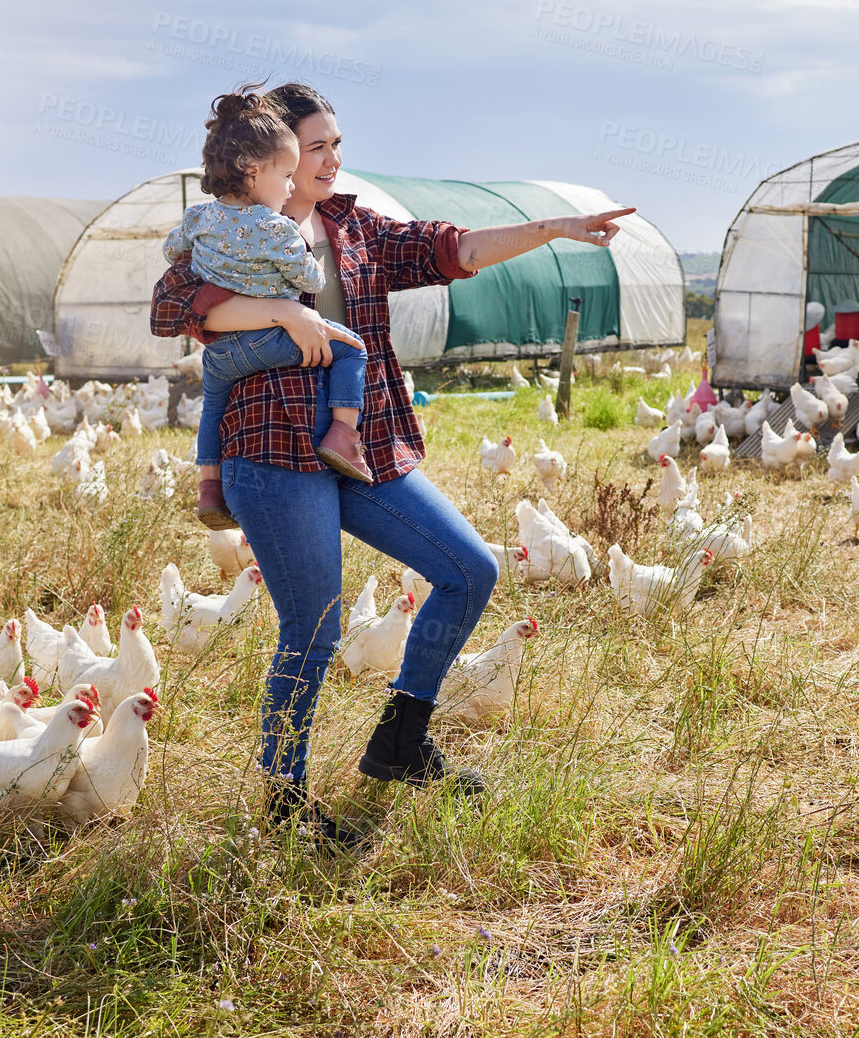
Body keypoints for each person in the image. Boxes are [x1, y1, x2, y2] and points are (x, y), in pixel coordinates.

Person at [150, 81, 631, 840]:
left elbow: (455, 249)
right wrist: (283, 311)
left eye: (337, 144)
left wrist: (556, 228)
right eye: (317, 147)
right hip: (274, 448)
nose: (332, 158)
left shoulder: (355, 228)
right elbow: (173, 308)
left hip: (362, 446)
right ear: (271, 155)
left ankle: (400, 739)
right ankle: (283, 801)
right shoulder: (231, 227)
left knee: (470, 568)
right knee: (311, 626)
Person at [167, 87, 373, 532]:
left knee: (211, 408)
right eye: (285, 176)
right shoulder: (275, 227)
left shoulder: (198, 218)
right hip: (266, 343)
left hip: (221, 352)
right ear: (253, 171)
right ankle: (343, 436)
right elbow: (310, 280)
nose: (287, 187)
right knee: (352, 349)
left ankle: (208, 486)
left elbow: (171, 250)